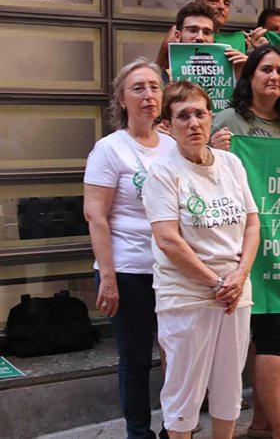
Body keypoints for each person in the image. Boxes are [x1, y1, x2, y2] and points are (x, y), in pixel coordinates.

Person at [142, 81, 258, 439]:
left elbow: (252, 222)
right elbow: (168, 240)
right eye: (182, 116)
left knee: (229, 384)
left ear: (211, 118)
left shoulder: (231, 163)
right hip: (188, 295)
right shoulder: (163, 172)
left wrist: (239, 276)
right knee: (184, 392)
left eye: (200, 113)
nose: (193, 123)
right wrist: (215, 282)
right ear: (167, 124)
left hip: (234, 292)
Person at [209, 44, 280, 439]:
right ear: (249, 76)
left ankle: (265, 424)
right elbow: (202, 169)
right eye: (266, 69)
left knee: (276, 331)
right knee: (265, 335)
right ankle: (277, 428)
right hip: (238, 246)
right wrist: (215, 152)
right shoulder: (227, 119)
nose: (275, 77)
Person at [83, 59, 176, 439]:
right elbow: (97, 217)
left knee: (178, 355)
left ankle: (177, 427)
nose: (148, 95)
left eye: (154, 87)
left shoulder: (172, 145)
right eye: (138, 88)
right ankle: (139, 432)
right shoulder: (109, 149)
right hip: (127, 270)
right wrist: (108, 279)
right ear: (122, 99)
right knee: (136, 360)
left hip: (171, 270)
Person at [157, 2, 247, 84]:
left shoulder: (233, 75)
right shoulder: (160, 80)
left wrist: (246, 74)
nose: (200, 37)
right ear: (177, 36)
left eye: (207, 32)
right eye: (193, 30)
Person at [156, 0, 233, 71]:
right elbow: (158, 72)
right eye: (214, 0)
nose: (221, 6)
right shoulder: (175, 36)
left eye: (226, 3)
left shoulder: (238, 40)